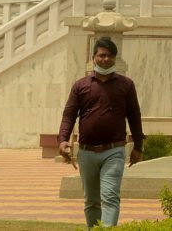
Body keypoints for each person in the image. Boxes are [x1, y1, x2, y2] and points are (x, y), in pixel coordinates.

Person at [57, 37, 145, 229]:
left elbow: (134, 117)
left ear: (115, 58)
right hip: (87, 153)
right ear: (94, 57)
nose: (106, 59)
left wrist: (138, 146)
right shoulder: (80, 85)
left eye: (110, 56)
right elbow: (69, 115)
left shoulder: (126, 85)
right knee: (91, 201)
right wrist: (63, 140)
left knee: (110, 197)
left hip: (113, 151)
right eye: (102, 55)